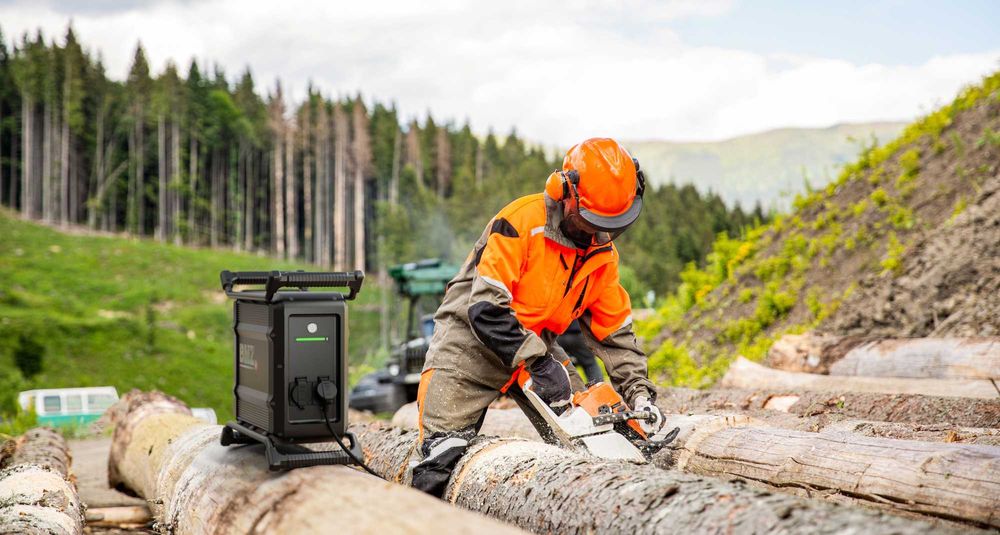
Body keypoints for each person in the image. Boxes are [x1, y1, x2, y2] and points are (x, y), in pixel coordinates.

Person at [411, 138, 664, 497]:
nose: (597, 232)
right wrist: (540, 364)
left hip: (537, 346)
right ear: (564, 192)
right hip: (469, 343)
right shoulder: (520, 222)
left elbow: (615, 333)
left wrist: (639, 394)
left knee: (597, 436)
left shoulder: (602, 254)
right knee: (436, 464)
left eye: (610, 223)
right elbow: (486, 308)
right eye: (590, 221)